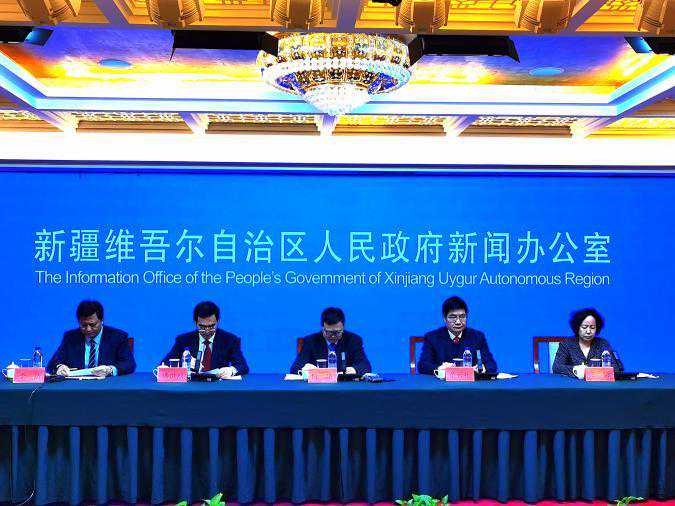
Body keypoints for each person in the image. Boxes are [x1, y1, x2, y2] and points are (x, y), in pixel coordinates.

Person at [47, 300, 136, 377]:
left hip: (108, 385)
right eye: (83, 325)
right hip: (77, 386)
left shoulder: (118, 337)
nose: (88, 329)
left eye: (92, 325)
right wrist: (60, 367)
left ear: (101, 320)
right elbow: (52, 364)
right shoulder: (70, 337)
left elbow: (129, 364)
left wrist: (110, 370)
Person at [161, 301, 249, 378]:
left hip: (218, 386)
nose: (207, 331)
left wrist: (231, 370)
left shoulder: (230, 340)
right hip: (191, 386)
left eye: (211, 326)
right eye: (202, 326)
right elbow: (165, 363)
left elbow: (243, 366)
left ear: (218, 321)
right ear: (195, 322)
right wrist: (184, 363)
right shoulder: (183, 340)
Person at [417, 296, 497, 375]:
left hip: (469, 382)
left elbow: (491, 364)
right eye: (453, 317)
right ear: (444, 318)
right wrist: (439, 368)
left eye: (462, 317)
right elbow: (423, 365)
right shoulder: (432, 338)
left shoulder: (477, 337)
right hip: (442, 382)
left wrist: (482, 368)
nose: (458, 322)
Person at [290, 307, 372, 376]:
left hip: (344, 386)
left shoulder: (353, 340)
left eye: (337, 332)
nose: (333, 336)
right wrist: (306, 370)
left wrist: (354, 370)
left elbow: (365, 366)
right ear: (323, 328)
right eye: (329, 332)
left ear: (343, 327)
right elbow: (295, 368)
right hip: (318, 386)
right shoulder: (310, 341)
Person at [552, 308, 623, 379]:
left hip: (598, 384)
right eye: (584, 327)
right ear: (577, 327)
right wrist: (575, 369)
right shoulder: (567, 344)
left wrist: (592, 372)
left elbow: (616, 369)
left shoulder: (603, 343)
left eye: (592, 327)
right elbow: (556, 367)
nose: (588, 331)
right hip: (573, 384)